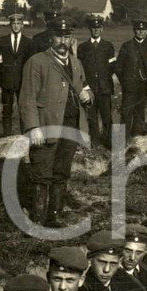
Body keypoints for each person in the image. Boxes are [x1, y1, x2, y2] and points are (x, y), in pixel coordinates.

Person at [20, 15, 94, 229]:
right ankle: (38, 220)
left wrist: (88, 96)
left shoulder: (76, 62)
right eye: (59, 36)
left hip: (70, 127)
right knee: (42, 173)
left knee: (61, 172)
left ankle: (54, 216)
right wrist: (33, 128)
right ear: (50, 37)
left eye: (67, 36)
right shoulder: (37, 62)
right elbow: (27, 99)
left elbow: (84, 87)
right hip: (46, 127)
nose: (63, 42)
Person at [76, 15, 116, 149]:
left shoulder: (108, 46)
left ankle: (109, 142)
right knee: (92, 117)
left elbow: (111, 67)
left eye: (98, 28)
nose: (96, 30)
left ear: (102, 29)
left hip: (104, 87)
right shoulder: (83, 47)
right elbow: (80, 68)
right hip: (90, 88)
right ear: (90, 29)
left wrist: (103, 78)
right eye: (93, 28)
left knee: (107, 117)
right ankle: (95, 143)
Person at [115, 16, 147, 141]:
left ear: (146, 31)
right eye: (138, 30)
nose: (141, 32)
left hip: (143, 86)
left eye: (143, 30)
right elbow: (118, 67)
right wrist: (125, 82)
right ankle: (121, 142)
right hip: (130, 87)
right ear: (134, 30)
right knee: (126, 113)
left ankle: (136, 140)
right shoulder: (127, 46)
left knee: (140, 113)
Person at [0, 13, 33, 137]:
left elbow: (30, 64)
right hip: (7, 81)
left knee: (24, 110)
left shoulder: (28, 42)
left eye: (18, 24)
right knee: (7, 111)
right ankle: (7, 137)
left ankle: (25, 136)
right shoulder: (2, 41)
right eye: (13, 24)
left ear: (22, 25)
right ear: (10, 25)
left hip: (22, 82)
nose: (16, 26)